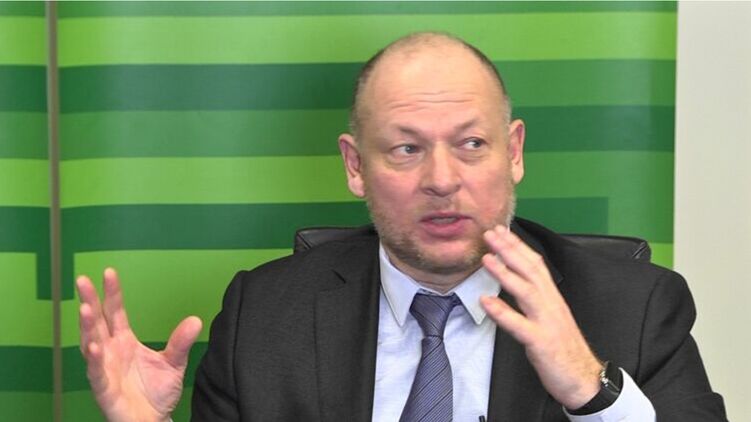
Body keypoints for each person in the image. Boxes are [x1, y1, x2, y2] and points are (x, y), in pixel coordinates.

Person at [77, 32, 727, 421]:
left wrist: (591, 390)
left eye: (471, 144)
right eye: (406, 149)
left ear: (514, 153)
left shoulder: (634, 307)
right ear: (355, 166)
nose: (442, 179)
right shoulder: (264, 314)